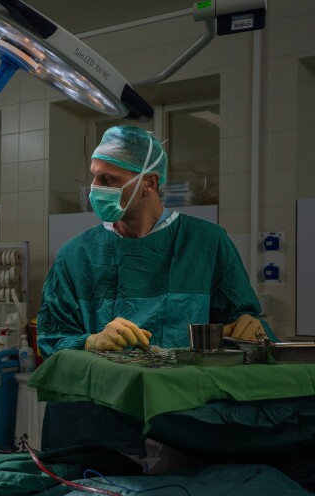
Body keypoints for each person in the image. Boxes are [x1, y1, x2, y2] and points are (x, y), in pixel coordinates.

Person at [37, 125, 271, 358]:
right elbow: (51, 338)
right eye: (94, 177)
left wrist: (249, 328)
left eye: (107, 179)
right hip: (103, 383)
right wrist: (91, 342)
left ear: (149, 182)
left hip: (186, 382)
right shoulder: (75, 254)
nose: (95, 189)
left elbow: (241, 327)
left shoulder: (207, 243)